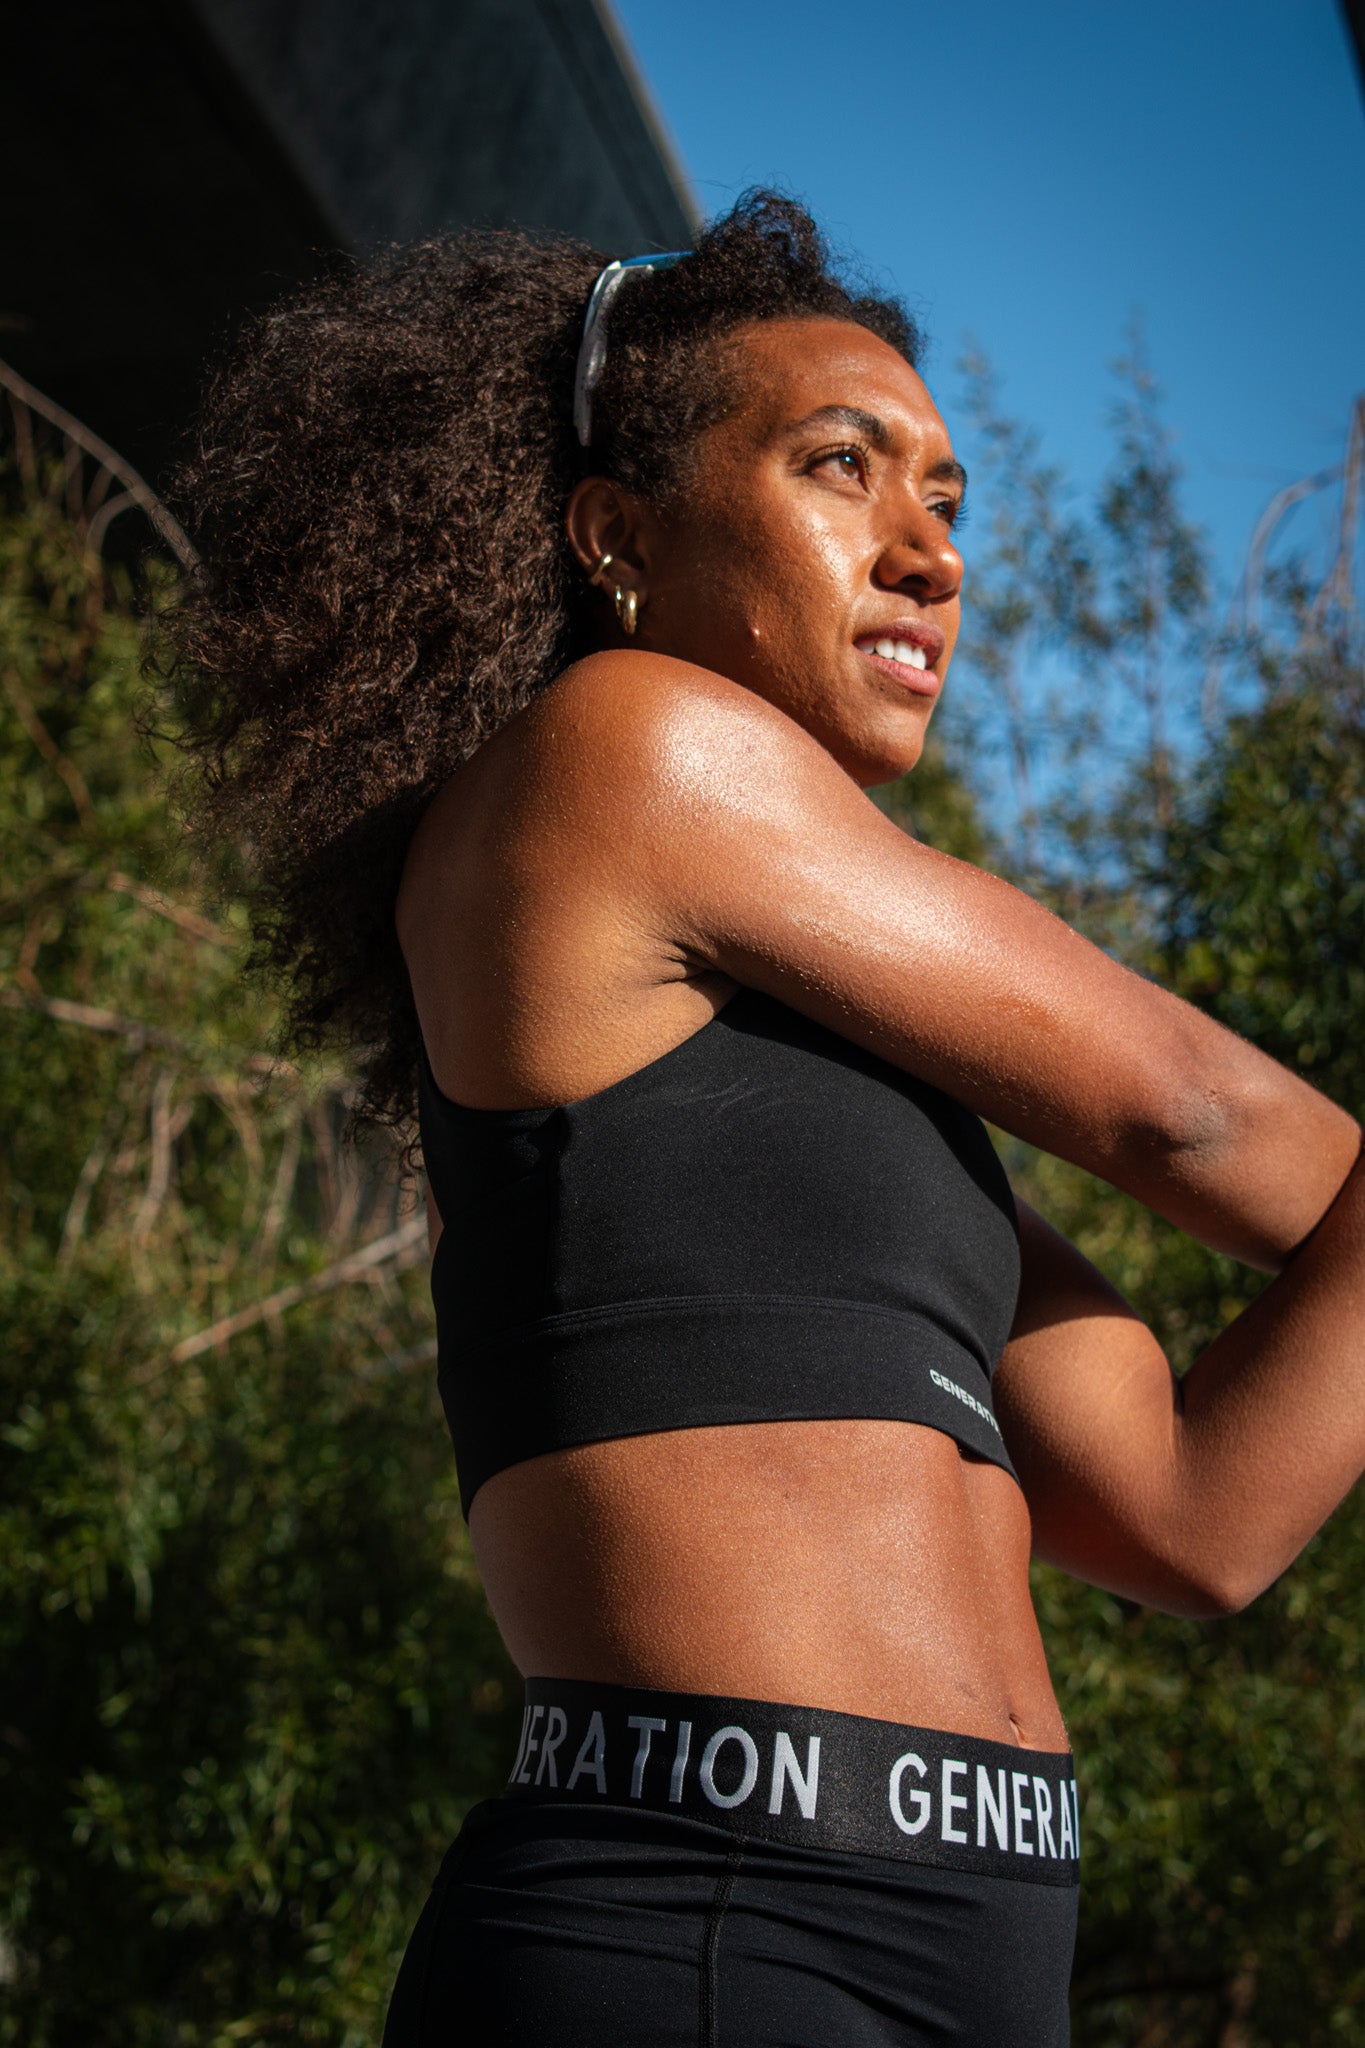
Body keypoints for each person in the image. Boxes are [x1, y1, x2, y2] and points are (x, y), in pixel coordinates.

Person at [171, 194, 1365, 2047]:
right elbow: (1202, 1119)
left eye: (949, 500)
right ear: (617, 536)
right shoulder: (620, 745)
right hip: (716, 1918)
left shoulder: (833, 1088)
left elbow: (1194, 1520)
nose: (928, 555)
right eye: (842, 468)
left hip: (973, 1941)